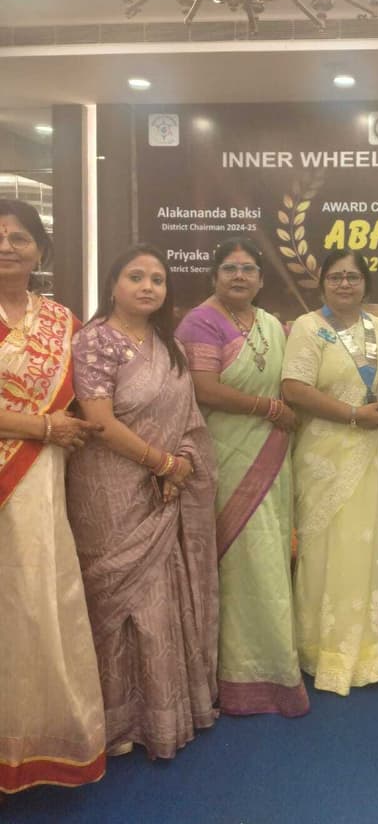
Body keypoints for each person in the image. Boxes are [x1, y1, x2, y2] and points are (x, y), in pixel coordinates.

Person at [66, 244, 219, 760]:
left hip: (162, 490)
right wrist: (164, 463)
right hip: (109, 489)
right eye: (136, 276)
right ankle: (114, 721)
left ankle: (159, 714)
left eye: (158, 278)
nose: (148, 286)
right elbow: (99, 422)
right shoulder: (94, 341)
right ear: (113, 286)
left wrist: (181, 461)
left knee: (158, 596)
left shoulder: (167, 345)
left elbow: (189, 419)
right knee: (116, 598)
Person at [176, 239, 308, 717]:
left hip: (272, 457)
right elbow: (203, 389)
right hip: (227, 457)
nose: (238, 276)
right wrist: (269, 407)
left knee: (270, 556)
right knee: (241, 561)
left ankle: (273, 661)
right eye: (229, 268)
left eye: (248, 269)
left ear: (261, 278)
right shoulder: (200, 322)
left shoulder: (271, 324)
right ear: (214, 275)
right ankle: (237, 672)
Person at [0, 199, 105, 796]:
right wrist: (43, 427)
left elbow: (86, 399)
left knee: (37, 597)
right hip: (28, 457)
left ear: (40, 249)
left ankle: (39, 738)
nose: (6, 245)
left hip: (40, 481)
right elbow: (52, 419)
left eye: (19, 237)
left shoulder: (62, 321)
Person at [281, 249, 378, 695]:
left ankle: (363, 653)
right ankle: (318, 650)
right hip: (324, 457)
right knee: (322, 550)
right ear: (322, 283)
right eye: (335, 277)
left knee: (363, 549)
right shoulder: (308, 327)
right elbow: (293, 388)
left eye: (352, 277)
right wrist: (354, 415)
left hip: (371, 454)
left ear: (365, 283)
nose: (344, 284)